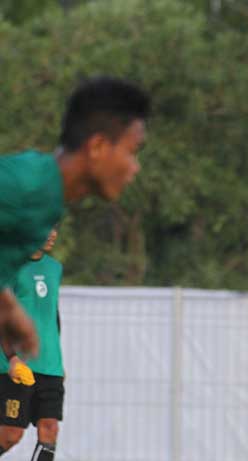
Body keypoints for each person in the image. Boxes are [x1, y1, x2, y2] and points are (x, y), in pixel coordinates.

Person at [0, 76, 150, 357]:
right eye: (132, 152)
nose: (135, 167)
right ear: (97, 147)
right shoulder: (26, 184)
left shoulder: (48, 199)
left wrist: (6, 307)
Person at [0, 230, 64, 461]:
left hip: (51, 368)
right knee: (10, 436)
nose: (51, 234)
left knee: (49, 430)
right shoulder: (11, 266)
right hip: (18, 367)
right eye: (45, 227)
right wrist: (11, 357)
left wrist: (59, 362)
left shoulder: (55, 268)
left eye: (54, 228)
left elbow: (53, 314)